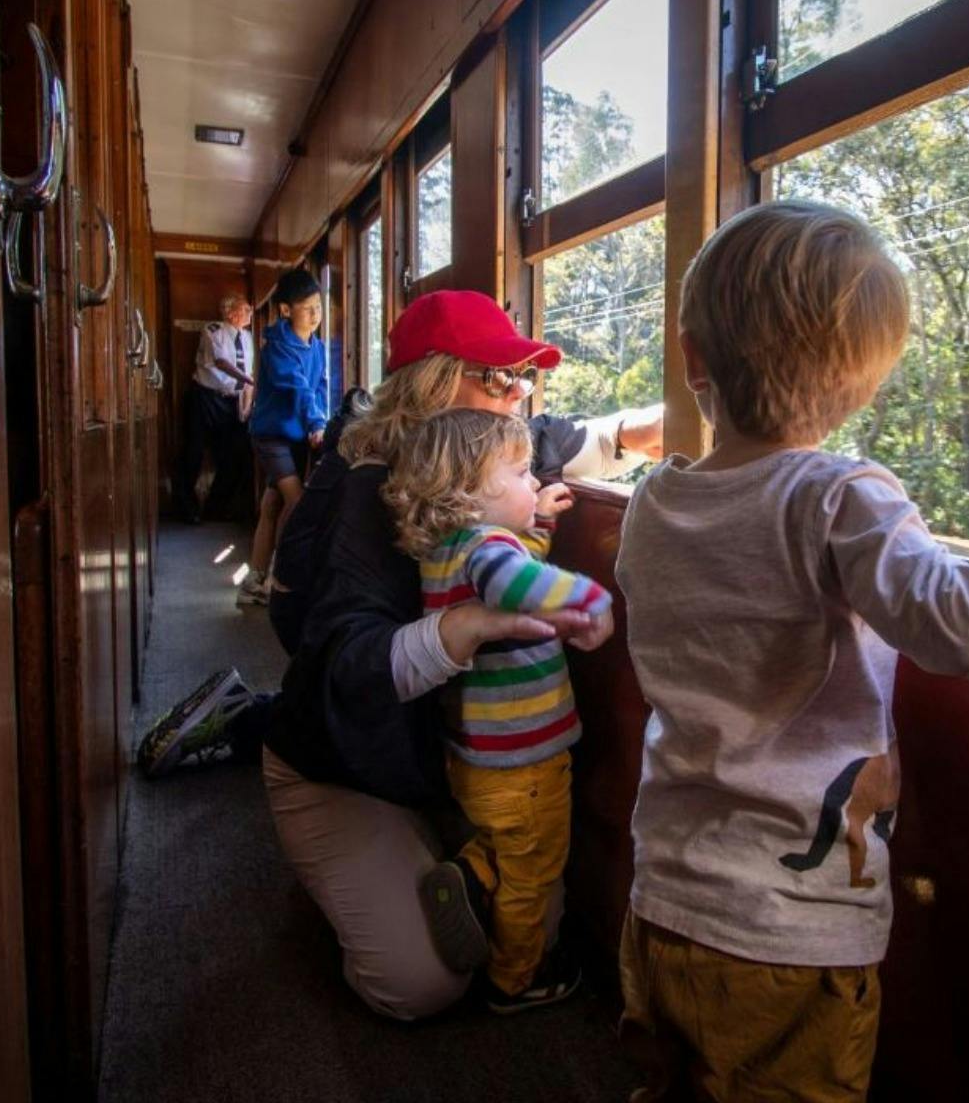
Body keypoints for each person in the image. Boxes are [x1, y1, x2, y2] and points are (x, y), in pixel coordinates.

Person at [612, 201, 969, 1101]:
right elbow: (960, 617)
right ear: (869, 383)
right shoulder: (837, 495)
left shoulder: (656, 502)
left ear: (690, 356)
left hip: (660, 903)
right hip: (784, 933)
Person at [138, 289, 662, 1022]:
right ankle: (251, 722)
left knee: (523, 898)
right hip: (341, 758)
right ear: (435, 386)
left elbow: (599, 439)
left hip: (437, 751)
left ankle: (265, 722)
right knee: (419, 982)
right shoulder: (360, 493)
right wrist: (468, 627)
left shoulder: (482, 450)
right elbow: (339, 661)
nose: (520, 397)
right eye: (499, 377)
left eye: (523, 379)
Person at [384, 409, 613, 1013]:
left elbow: (504, 572)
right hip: (524, 760)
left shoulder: (449, 549)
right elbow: (514, 584)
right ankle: (518, 977)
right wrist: (592, 598)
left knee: (505, 843)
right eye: (519, 473)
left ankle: (469, 877)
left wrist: (535, 524)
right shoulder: (489, 549)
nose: (534, 482)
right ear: (468, 493)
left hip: (475, 755)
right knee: (535, 869)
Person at [239, 269, 330, 606]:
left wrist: (322, 421)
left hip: (295, 435)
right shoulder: (276, 346)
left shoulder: (317, 347)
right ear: (286, 310)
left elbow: (318, 387)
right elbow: (298, 388)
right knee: (296, 501)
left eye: (319, 307)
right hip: (271, 436)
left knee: (272, 503)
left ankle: (255, 577)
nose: (316, 315)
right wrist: (315, 422)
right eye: (308, 308)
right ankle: (279, 576)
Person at [172, 294, 255, 525]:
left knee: (235, 455)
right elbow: (221, 363)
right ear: (230, 313)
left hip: (232, 401)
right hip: (205, 398)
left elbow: (249, 373)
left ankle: (215, 508)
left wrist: (246, 406)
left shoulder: (247, 337)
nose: (250, 313)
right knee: (193, 452)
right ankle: (186, 508)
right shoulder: (213, 330)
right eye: (245, 309)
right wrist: (248, 380)